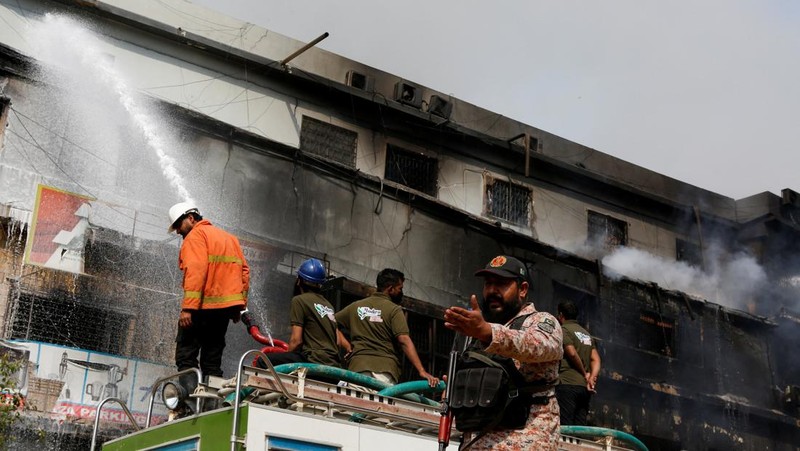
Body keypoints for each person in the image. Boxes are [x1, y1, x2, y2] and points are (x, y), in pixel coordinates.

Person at [443, 255, 563, 451]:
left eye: (501, 284)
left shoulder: (540, 321)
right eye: (488, 284)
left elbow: (537, 345)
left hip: (522, 442)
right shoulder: (476, 332)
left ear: (522, 289)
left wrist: (488, 333)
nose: (492, 291)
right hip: (474, 442)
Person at [168, 202, 249, 380]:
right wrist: (238, 306)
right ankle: (210, 404)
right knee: (212, 362)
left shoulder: (195, 236)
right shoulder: (230, 239)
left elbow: (196, 270)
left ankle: (187, 404)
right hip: (223, 313)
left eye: (178, 225)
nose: (178, 231)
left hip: (201, 308)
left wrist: (188, 308)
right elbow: (244, 272)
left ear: (190, 219)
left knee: (186, 357)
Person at [335, 268, 438, 388]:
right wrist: (421, 371)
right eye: (400, 288)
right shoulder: (394, 310)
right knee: (378, 406)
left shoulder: (356, 306)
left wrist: (347, 347)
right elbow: (404, 340)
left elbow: (331, 323)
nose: (401, 292)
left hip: (358, 370)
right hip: (384, 373)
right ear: (390, 289)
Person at [260, 258, 351, 368]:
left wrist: (286, 356)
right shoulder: (328, 305)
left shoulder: (299, 300)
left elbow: (296, 340)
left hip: (313, 360)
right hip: (334, 364)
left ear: (299, 280)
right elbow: (337, 341)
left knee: (263, 360)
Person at [556, 300, 601, 426]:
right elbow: (596, 359)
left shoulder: (563, 330)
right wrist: (591, 378)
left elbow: (571, 353)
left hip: (567, 384)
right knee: (579, 426)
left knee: (566, 426)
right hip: (584, 388)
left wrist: (584, 372)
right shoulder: (586, 334)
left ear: (560, 315)